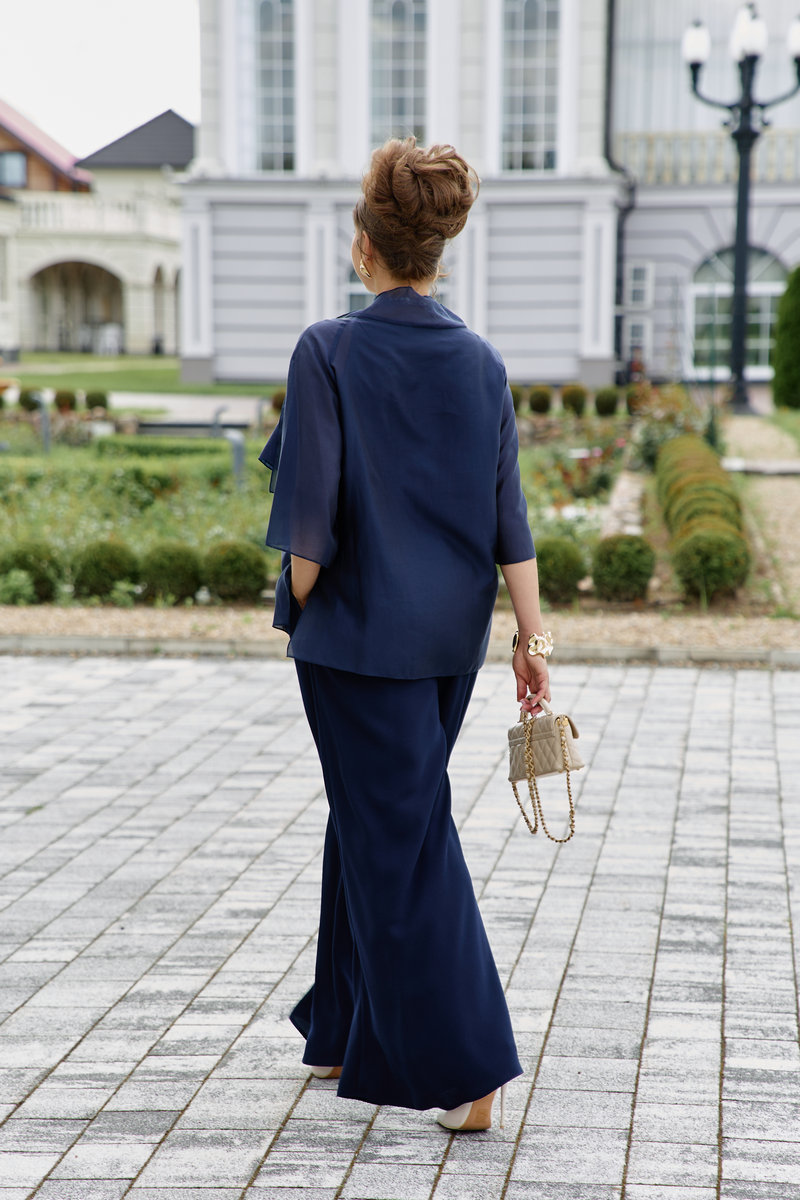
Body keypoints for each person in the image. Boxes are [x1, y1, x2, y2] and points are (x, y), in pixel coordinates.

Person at [260, 137, 551, 1132]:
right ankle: (340, 1024)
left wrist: (296, 605)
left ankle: (470, 1066)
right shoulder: (481, 361)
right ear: (436, 250)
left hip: (355, 639)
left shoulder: (328, 349)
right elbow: (509, 514)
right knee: (376, 813)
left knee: (403, 834)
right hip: (448, 644)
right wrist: (532, 639)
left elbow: (308, 526)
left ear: (364, 247)